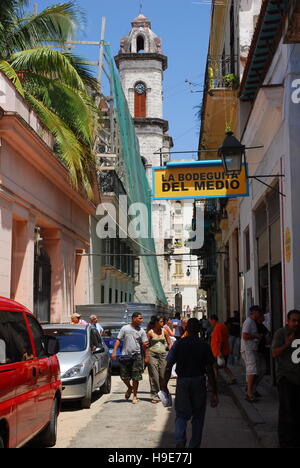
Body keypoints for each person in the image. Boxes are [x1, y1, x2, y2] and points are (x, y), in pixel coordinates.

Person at [163, 318, 218, 448]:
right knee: (198, 417)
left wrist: (164, 384)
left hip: (182, 382)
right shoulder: (204, 344)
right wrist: (214, 391)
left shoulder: (179, 344)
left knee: (181, 414)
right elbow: (210, 370)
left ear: (186, 329)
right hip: (199, 381)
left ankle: (180, 440)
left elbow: (168, 365)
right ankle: (194, 445)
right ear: (199, 330)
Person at [272, 310, 300, 448]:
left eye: (298, 321)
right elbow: (274, 353)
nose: (296, 323)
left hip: (298, 378)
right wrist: (286, 344)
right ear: (288, 321)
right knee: (286, 411)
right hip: (285, 378)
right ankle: (284, 441)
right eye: (293, 320)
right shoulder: (280, 334)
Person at [112, 312, 148, 404]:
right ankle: (129, 387)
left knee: (136, 377)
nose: (141, 320)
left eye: (142, 318)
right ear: (134, 318)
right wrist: (114, 352)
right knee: (123, 376)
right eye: (140, 318)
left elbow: (145, 345)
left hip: (137, 356)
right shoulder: (125, 328)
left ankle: (135, 396)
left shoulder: (142, 331)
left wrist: (145, 352)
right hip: (125, 356)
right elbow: (118, 340)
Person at [241, 305, 264, 402]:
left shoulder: (252, 322)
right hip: (248, 349)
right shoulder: (249, 322)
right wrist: (256, 336)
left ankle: (250, 391)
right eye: (259, 312)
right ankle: (249, 393)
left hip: (251, 349)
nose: (260, 314)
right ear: (255, 313)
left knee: (254, 371)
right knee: (251, 371)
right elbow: (245, 336)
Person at [147, 315, 172, 404]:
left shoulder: (164, 331)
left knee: (163, 375)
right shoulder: (150, 332)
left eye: (163, 321)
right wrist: (146, 356)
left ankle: (163, 392)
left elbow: (169, 343)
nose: (163, 323)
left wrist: (170, 354)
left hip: (163, 355)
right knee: (154, 375)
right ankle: (154, 395)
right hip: (152, 355)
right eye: (161, 321)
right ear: (156, 322)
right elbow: (147, 345)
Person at [209, 315, 237, 385]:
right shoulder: (221, 326)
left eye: (210, 321)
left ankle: (215, 381)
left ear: (213, 320)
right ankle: (232, 378)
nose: (210, 323)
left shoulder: (218, 327)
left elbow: (220, 341)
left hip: (219, 352)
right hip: (222, 351)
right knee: (222, 366)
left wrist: (219, 351)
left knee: (216, 366)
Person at [255, 313, 271, 397]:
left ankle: (253, 387)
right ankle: (252, 388)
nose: (264, 317)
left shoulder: (262, 326)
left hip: (262, 351)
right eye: (262, 316)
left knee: (263, 370)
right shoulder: (255, 326)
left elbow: (267, 334)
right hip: (256, 351)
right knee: (257, 371)